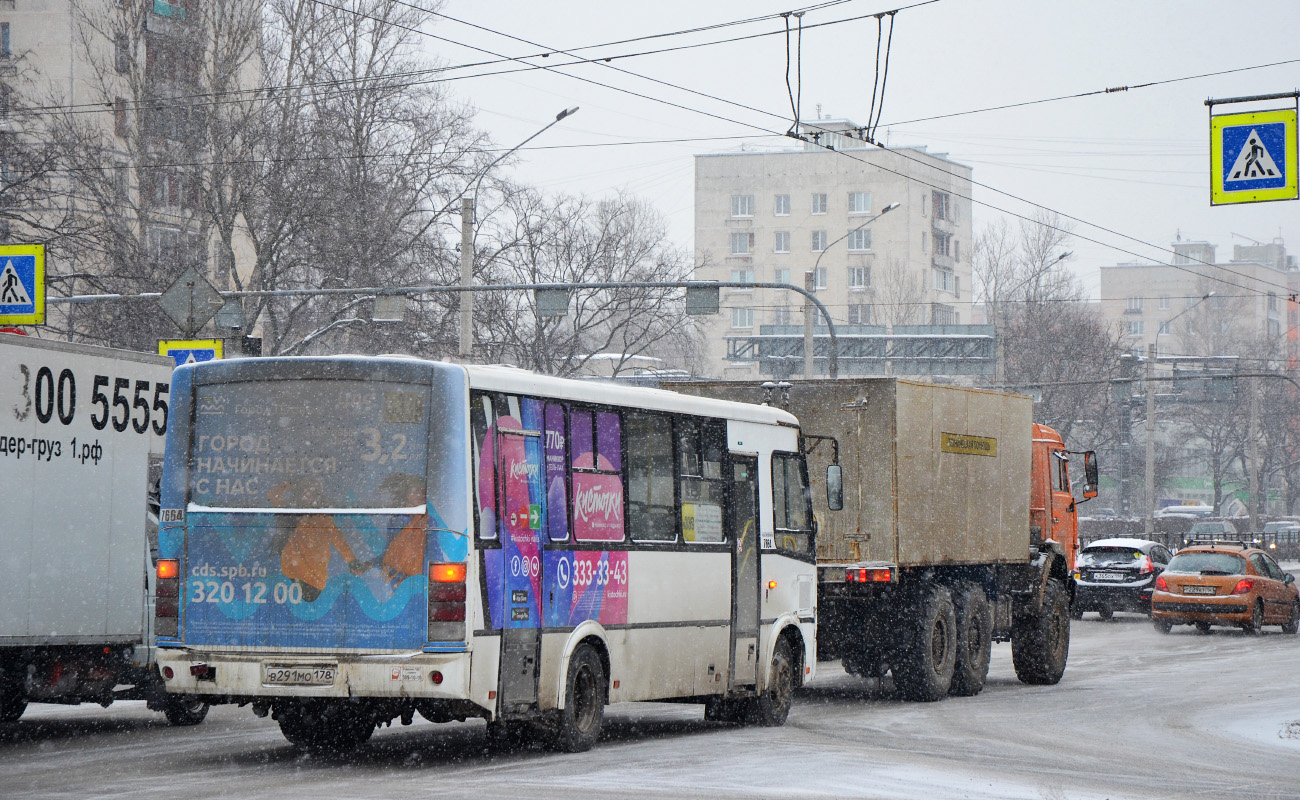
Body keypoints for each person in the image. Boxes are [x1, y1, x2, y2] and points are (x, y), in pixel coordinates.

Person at [271, 477, 364, 602]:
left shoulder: (324, 519)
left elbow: (340, 542)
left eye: (313, 492)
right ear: (298, 494)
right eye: (304, 491)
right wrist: (290, 483)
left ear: (318, 496)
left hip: (314, 580)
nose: (309, 496)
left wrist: (352, 560)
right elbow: (272, 495)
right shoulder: (290, 512)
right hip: (293, 574)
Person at [375, 473, 427, 583]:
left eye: (423, 491)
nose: (420, 495)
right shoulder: (397, 520)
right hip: (398, 575)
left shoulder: (429, 520)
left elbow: (433, 550)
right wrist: (371, 564)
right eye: (415, 491)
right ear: (406, 495)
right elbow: (390, 550)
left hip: (420, 576)